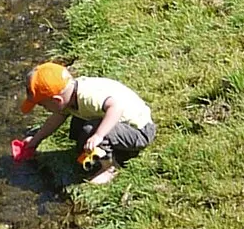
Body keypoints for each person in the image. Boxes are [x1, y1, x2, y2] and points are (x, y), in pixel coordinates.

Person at [14, 61, 156, 184]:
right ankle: (104, 150)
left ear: (57, 100)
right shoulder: (69, 97)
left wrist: (98, 135)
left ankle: (109, 168)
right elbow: (56, 119)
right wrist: (35, 141)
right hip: (117, 123)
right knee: (81, 129)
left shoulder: (88, 96)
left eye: (44, 105)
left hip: (139, 130)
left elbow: (116, 107)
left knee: (94, 131)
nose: (45, 109)